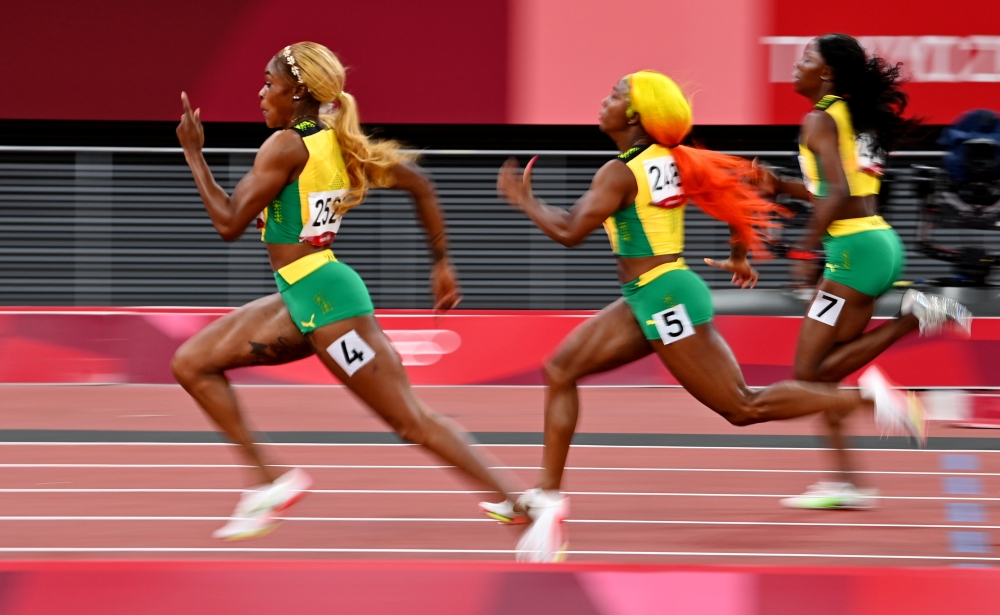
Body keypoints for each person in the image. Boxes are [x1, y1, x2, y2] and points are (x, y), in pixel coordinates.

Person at [480, 70, 929, 563]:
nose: (604, 101)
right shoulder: (672, 159)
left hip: (666, 298)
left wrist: (524, 201)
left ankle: (864, 398)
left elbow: (568, 231)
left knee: (742, 407)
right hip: (649, 293)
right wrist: (739, 252)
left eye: (615, 95)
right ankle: (548, 501)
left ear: (635, 115)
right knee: (560, 369)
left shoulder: (619, 172)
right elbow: (734, 190)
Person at [173, 41, 522, 539]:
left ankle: (523, 502)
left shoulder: (288, 144)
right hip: (303, 293)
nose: (261, 93)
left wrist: (194, 154)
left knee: (410, 421)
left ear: (296, 93)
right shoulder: (333, 142)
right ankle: (269, 482)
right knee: (191, 362)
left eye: (269, 84)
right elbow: (419, 184)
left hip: (328, 303)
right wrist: (441, 262)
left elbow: (229, 222)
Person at [755, 33, 972, 510]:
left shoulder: (818, 119)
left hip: (853, 252)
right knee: (821, 380)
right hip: (873, 244)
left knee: (807, 376)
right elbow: (842, 193)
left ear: (828, 73)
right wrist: (780, 185)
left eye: (806, 58)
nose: (796, 65)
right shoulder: (850, 118)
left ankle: (907, 334)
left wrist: (801, 252)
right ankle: (846, 482)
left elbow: (834, 200)